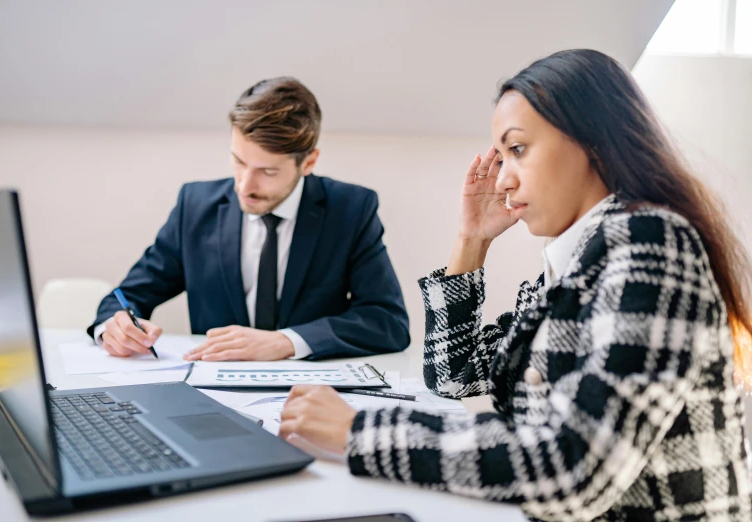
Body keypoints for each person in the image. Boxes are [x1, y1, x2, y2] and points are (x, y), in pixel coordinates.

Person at [278, 50, 752, 521]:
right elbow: (454, 375)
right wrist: (471, 241)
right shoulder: (578, 260)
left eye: (518, 150)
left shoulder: (651, 244)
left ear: (594, 141)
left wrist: (362, 432)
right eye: (500, 157)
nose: (503, 179)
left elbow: (574, 466)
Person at [88, 77, 410, 361]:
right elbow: (128, 295)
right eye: (238, 162)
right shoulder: (196, 206)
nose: (244, 186)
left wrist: (287, 342)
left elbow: (388, 321)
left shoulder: (351, 210)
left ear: (308, 162)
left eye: (268, 171)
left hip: (311, 396)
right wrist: (114, 326)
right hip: (211, 397)